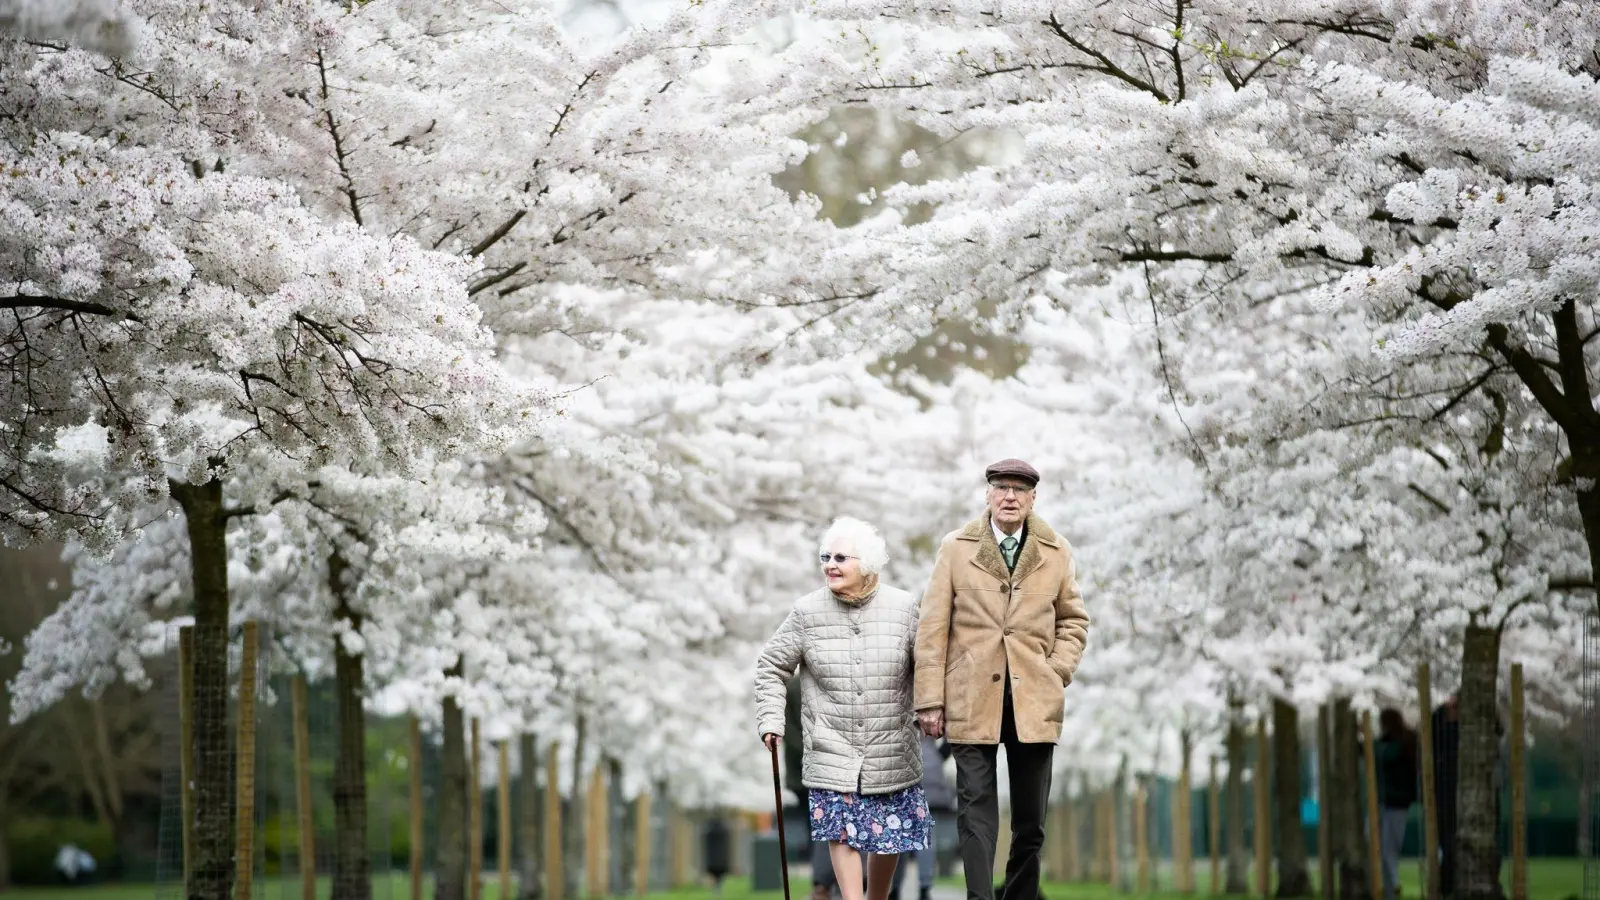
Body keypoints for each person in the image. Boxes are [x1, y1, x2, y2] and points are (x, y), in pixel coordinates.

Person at [914, 458, 1090, 900]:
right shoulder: (956, 548)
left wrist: (1057, 671)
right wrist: (929, 701)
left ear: (1033, 498)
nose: (1009, 496)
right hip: (970, 699)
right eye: (1001, 487)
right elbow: (932, 627)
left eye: (1019, 489)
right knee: (975, 813)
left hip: (1034, 700)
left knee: (1031, 821)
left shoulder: (1056, 551)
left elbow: (1074, 621)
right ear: (988, 495)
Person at [756, 516, 932, 900]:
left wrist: (930, 708)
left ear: (866, 563)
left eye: (840, 557)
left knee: (890, 834)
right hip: (831, 746)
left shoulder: (903, 607)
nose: (830, 565)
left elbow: (928, 665)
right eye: (825, 556)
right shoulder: (806, 611)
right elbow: (771, 665)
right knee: (840, 829)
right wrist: (771, 719)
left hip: (891, 746)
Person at [888, 734, 957, 900]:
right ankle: (925, 889)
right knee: (926, 839)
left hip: (903, 775)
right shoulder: (930, 718)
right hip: (931, 780)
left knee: (900, 838)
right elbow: (949, 740)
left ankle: (895, 889)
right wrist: (937, 756)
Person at [1374, 708, 1419, 900]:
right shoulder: (1399, 742)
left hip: (1396, 804)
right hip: (1389, 803)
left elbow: (1385, 755)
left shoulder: (1402, 743)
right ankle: (1390, 886)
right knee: (1381, 846)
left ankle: (1393, 886)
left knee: (1388, 849)